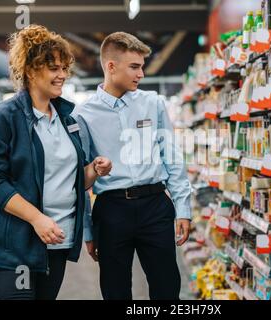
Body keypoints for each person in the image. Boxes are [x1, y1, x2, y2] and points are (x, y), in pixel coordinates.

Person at [0, 25, 112, 300]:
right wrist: (37, 219)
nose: (62, 75)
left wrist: (93, 170)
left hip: (55, 240)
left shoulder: (67, 119)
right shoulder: (4, 118)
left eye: (64, 68)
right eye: (54, 68)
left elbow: (70, 181)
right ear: (32, 71)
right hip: (15, 247)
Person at [74, 32, 191, 300]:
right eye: (134, 67)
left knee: (167, 288)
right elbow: (80, 177)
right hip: (111, 210)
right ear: (111, 67)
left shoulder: (153, 103)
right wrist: (88, 230)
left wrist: (183, 209)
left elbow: (171, 156)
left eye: (141, 66)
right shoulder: (83, 115)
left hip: (155, 207)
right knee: (115, 291)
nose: (141, 74)